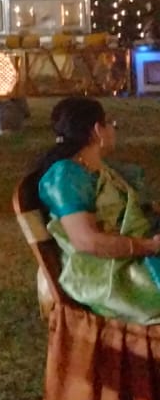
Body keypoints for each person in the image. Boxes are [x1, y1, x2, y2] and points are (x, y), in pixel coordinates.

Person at [35, 97, 160, 324]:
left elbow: (117, 211)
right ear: (97, 130)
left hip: (131, 258)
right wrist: (149, 246)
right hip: (111, 276)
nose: (113, 129)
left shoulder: (95, 170)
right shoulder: (67, 175)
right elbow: (87, 241)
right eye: (109, 123)